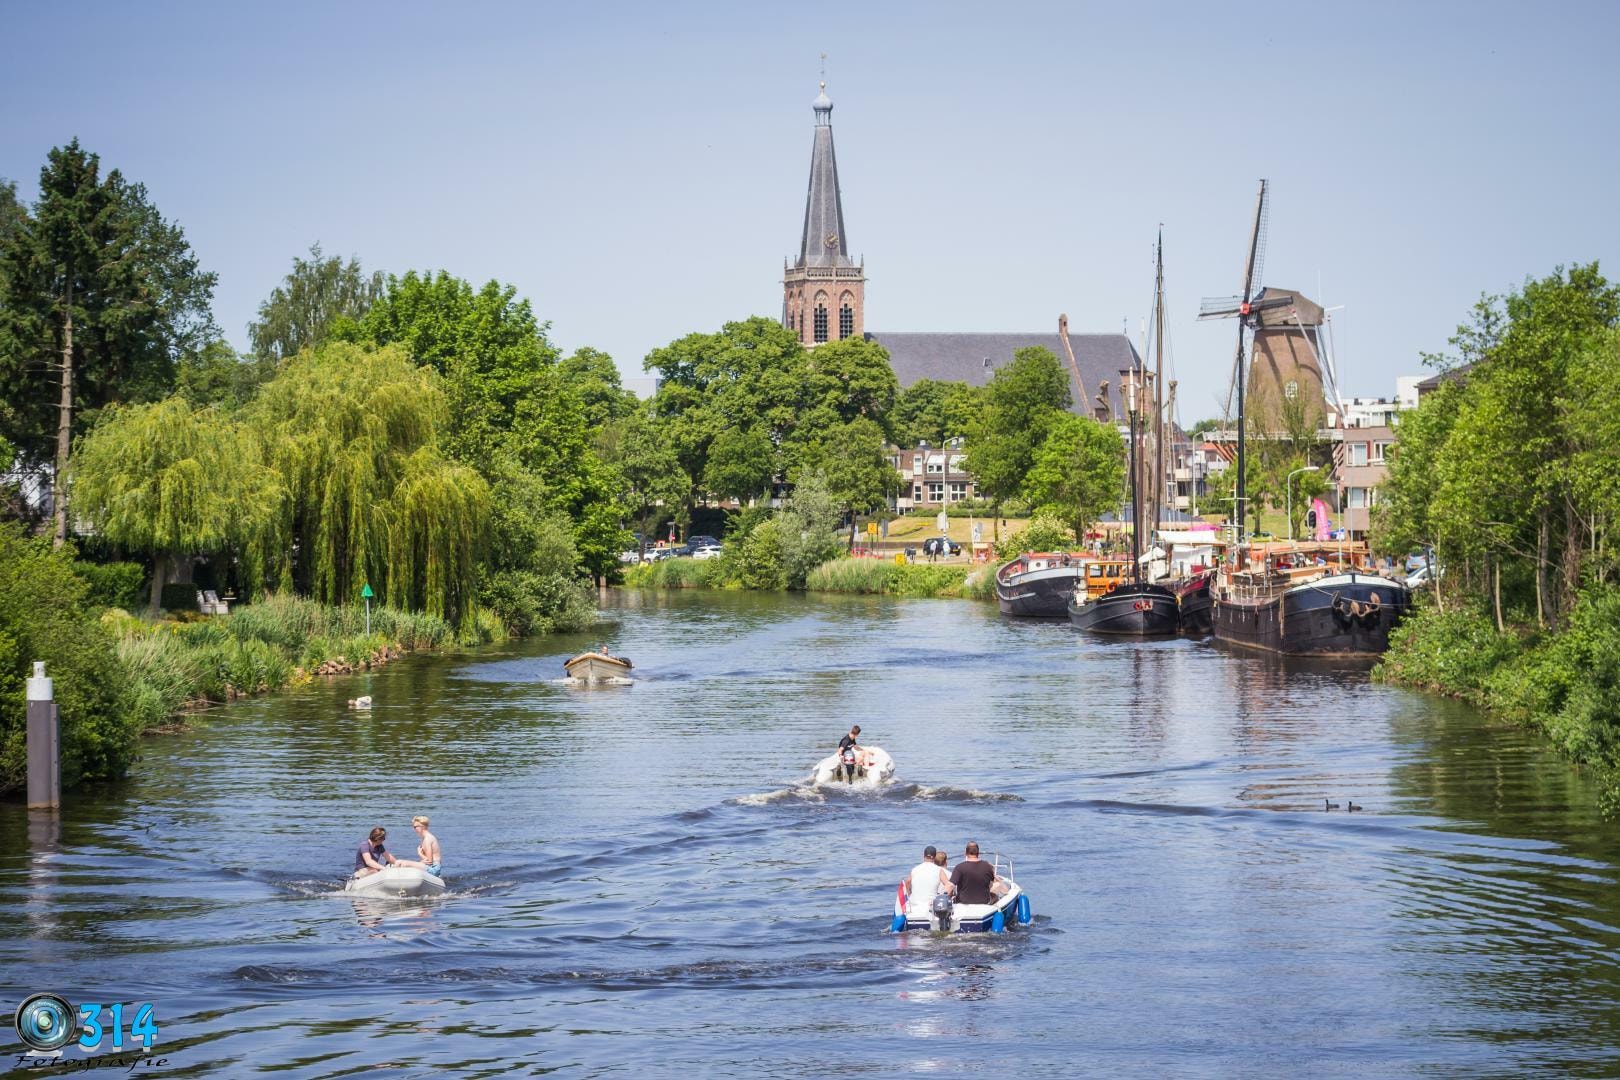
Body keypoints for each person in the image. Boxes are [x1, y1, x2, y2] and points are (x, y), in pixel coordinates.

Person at [948, 841, 1002, 905]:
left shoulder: (959, 867)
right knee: (996, 894)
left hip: (963, 901)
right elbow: (992, 881)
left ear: (966, 853)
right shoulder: (987, 866)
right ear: (978, 853)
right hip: (984, 901)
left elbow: (950, 885)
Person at [907, 845, 954, 915]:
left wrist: (910, 894)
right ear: (934, 857)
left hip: (913, 905)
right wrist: (942, 898)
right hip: (930, 906)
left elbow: (907, 883)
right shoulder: (939, 870)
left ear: (923, 856)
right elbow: (949, 885)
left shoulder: (914, 869)